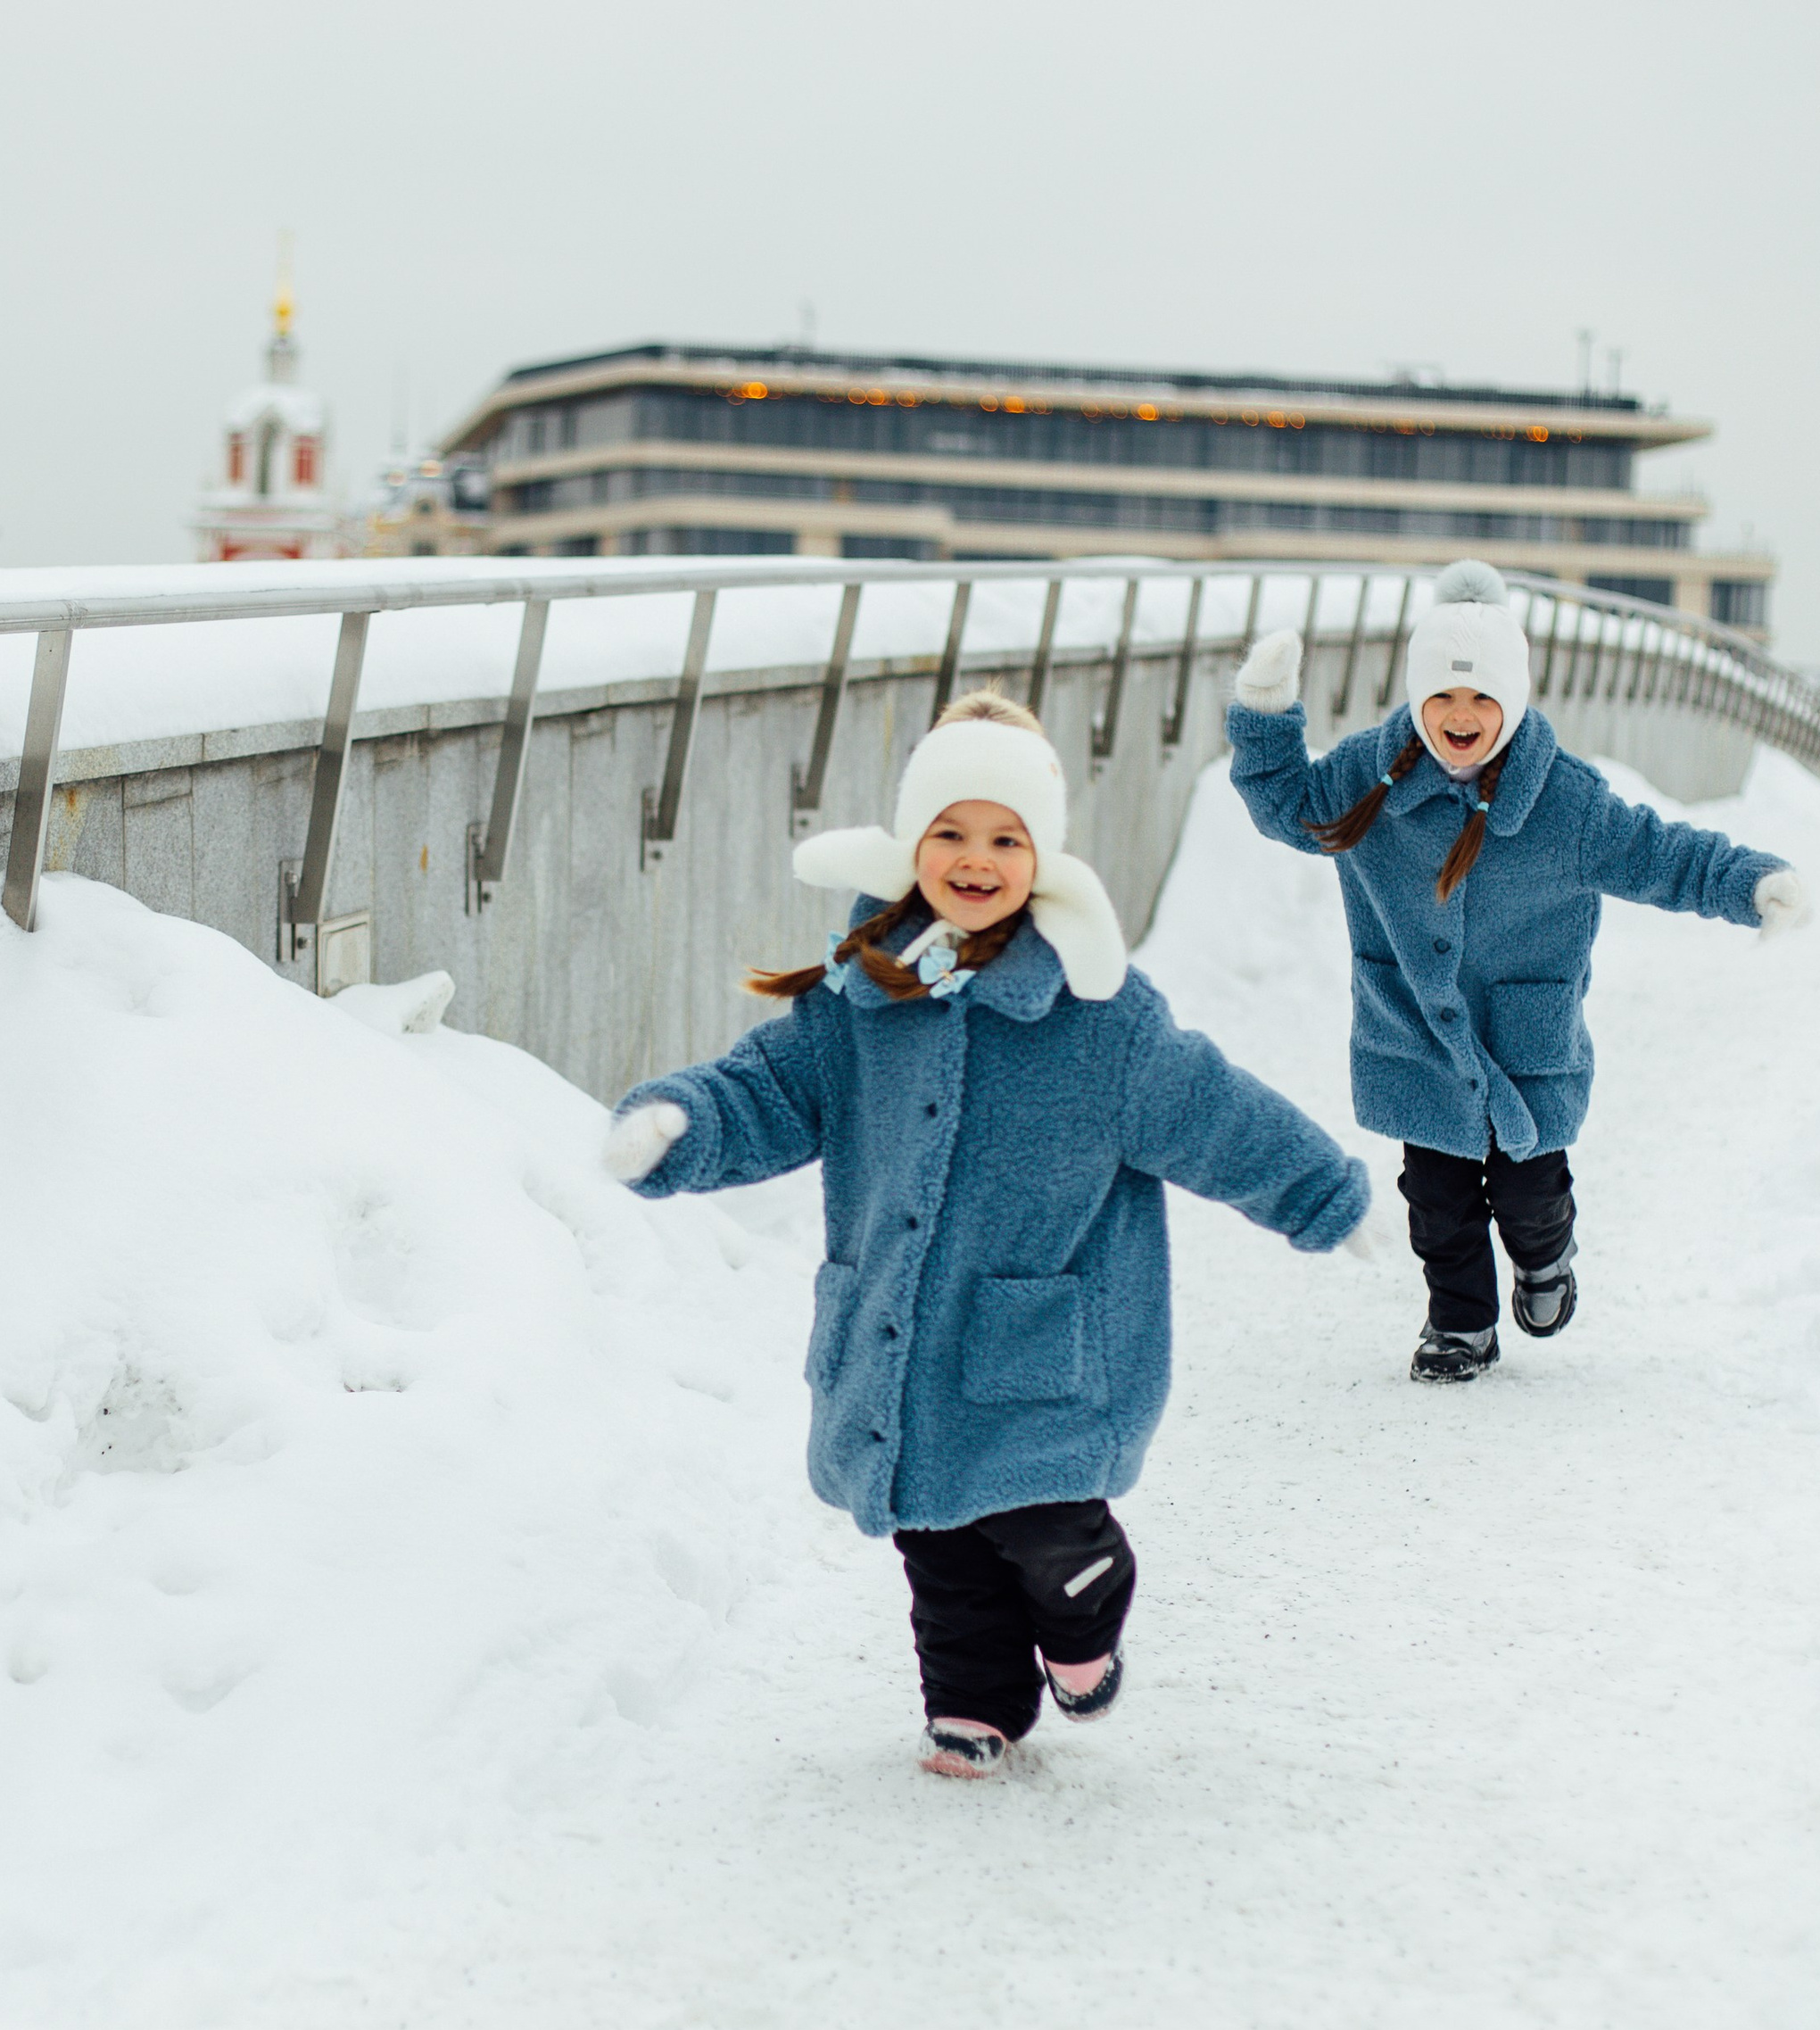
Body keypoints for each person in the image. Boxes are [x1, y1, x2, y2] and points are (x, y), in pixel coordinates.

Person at [602, 692, 1370, 1779]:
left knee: (1051, 1534)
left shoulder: (1099, 1014)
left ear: (1041, 857)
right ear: (912, 844)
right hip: (905, 1347)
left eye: (1006, 838)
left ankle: (1082, 1628)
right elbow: (764, 1090)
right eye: (951, 832)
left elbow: (1212, 1112)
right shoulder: (859, 999)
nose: (976, 858)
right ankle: (973, 1706)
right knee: (942, 1544)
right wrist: (679, 1127)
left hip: (1043, 1358)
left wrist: (1322, 1193)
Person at [1228, 560, 1809, 1383]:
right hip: (1418, 1041)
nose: (1460, 715)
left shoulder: (1565, 803)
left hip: (1525, 1049)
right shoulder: (1373, 778)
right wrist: (1265, 712)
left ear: (1514, 698)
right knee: (1437, 1204)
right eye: (1442, 696)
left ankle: (1545, 1258)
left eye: (1481, 697)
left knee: (1528, 1200)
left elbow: (1661, 855)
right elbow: (1287, 805)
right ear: (1417, 696)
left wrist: (1749, 883)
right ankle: (1460, 1325)